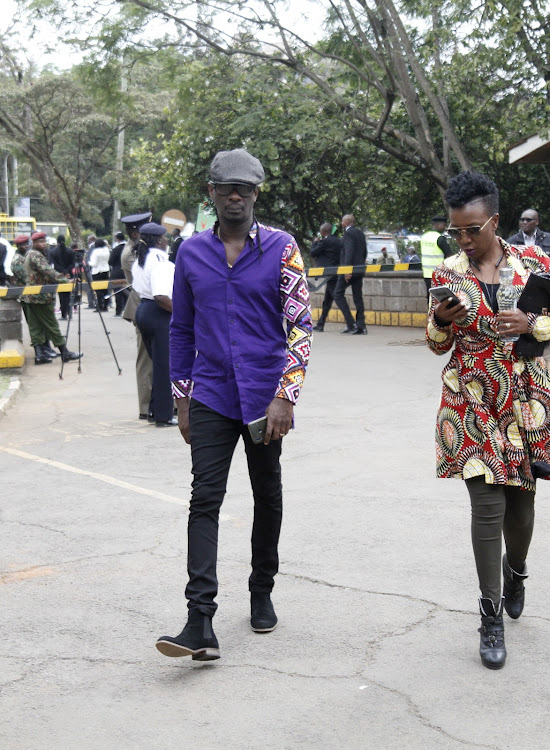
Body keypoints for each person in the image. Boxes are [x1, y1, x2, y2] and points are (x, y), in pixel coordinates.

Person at [155, 148, 312, 662]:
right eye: (227, 188)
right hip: (212, 395)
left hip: (266, 398)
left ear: (257, 193)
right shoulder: (192, 254)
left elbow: (300, 326)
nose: (236, 196)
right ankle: (199, 618)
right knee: (205, 500)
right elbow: (180, 331)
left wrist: (285, 395)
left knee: (267, 494)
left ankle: (261, 589)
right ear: (212, 194)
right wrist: (181, 400)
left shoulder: (283, 249)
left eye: (245, 188)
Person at [426, 171, 550, 670]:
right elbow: (436, 344)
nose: (464, 240)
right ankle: (490, 613)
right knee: (486, 506)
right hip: (470, 398)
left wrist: (535, 322)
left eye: (472, 229)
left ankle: (516, 570)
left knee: (520, 512)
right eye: (456, 231)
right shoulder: (447, 273)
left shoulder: (535, 261)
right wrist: (442, 322)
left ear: (494, 221)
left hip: (525, 399)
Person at [508, 210, 550, 377]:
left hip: (544, 288)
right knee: (525, 324)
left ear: (537, 222)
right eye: (522, 219)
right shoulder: (513, 241)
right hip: (522, 290)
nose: (524, 222)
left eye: (528, 219)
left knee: (545, 321)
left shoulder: (548, 240)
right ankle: (527, 360)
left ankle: (548, 359)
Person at [131, 223, 176, 427]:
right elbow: (160, 295)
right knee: (164, 367)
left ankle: (154, 410)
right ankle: (164, 415)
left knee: (157, 364)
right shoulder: (160, 262)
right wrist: (181, 313)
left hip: (143, 310)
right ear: (159, 240)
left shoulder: (142, 258)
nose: (167, 241)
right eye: (165, 238)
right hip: (158, 313)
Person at [22, 232, 82, 365]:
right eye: (41, 242)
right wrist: (66, 281)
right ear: (34, 243)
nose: (44, 244)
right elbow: (48, 271)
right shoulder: (36, 255)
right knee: (52, 325)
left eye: (45, 241)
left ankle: (39, 355)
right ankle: (64, 352)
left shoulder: (29, 254)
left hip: (31, 296)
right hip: (41, 296)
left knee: (35, 327)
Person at [121, 211, 154, 420]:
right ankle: (146, 405)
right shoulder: (131, 254)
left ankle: (159, 401)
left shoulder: (140, 250)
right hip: (143, 306)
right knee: (146, 360)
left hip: (150, 306)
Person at [333, 213, 367, 335]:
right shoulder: (360, 233)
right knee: (358, 297)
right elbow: (364, 252)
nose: (342, 224)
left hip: (349, 269)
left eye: (342, 222)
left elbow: (349, 252)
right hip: (359, 268)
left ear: (346, 223)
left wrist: (347, 270)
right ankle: (361, 325)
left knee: (337, 294)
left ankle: (351, 323)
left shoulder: (348, 234)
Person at [310, 222, 342, 332]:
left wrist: (315, 243)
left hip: (329, 273)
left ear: (323, 232)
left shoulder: (324, 242)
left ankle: (351, 323)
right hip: (336, 271)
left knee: (337, 298)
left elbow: (313, 253)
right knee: (327, 300)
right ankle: (320, 323)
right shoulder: (338, 241)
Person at [421, 215, 454, 298]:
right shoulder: (440, 238)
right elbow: (449, 256)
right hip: (439, 274)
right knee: (441, 298)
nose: (445, 227)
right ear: (437, 225)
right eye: (444, 225)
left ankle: (431, 311)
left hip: (427, 274)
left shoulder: (424, 237)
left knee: (430, 297)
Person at [52, 235, 75, 319]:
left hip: (59, 275)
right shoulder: (70, 251)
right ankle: (70, 312)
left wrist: (62, 272)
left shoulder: (53, 252)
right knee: (69, 294)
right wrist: (67, 271)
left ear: (57, 241)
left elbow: (55, 265)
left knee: (62, 296)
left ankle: (63, 314)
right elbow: (72, 264)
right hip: (69, 274)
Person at [108, 231, 129, 317]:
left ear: (117, 239)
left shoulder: (116, 249)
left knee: (117, 292)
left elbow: (110, 261)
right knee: (126, 290)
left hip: (117, 271)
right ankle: (127, 309)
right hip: (127, 271)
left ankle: (118, 311)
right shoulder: (129, 248)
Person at [89, 238, 111, 312]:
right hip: (105, 270)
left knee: (98, 290)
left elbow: (94, 263)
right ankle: (106, 305)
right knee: (105, 290)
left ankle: (99, 306)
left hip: (97, 271)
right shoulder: (106, 250)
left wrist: (88, 263)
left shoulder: (96, 251)